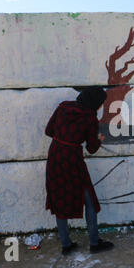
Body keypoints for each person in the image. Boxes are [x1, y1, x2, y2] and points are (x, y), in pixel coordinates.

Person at [45, 86, 114, 255]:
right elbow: (91, 148)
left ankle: (66, 245)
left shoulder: (63, 107)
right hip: (73, 160)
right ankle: (94, 242)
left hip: (54, 156)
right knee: (89, 200)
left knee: (58, 198)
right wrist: (99, 139)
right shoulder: (90, 117)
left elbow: (49, 131)